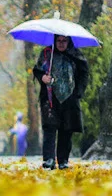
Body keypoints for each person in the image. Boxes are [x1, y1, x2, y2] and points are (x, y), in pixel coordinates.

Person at [33, 35, 89, 170]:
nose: (61, 44)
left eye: (64, 41)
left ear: (69, 41)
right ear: (54, 41)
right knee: (49, 129)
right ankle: (49, 159)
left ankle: (63, 160)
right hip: (50, 98)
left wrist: (79, 92)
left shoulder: (77, 55)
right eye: (58, 41)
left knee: (66, 130)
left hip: (70, 98)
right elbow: (37, 70)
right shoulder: (47, 54)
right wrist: (43, 78)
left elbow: (84, 73)